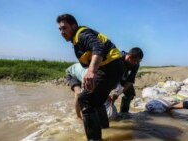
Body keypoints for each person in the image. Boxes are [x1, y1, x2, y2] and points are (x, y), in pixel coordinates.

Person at [56, 13, 124, 141]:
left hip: (109, 67)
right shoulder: (77, 42)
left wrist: (91, 72)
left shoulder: (82, 34)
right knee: (97, 101)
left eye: (64, 28)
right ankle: (105, 129)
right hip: (113, 68)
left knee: (84, 99)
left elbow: (98, 47)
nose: (61, 32)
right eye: (59, 29)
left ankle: (94, 138)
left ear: (73, 26)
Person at [109, 47, 143, 113]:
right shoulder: (117, 58)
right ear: (129, 57)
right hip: (110, 77)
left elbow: (130, 80)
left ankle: (124, 113)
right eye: (135, 61)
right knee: (105, 97)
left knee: (130, 94)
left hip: (123, 78)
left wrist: (117, 93)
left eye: (139, 61)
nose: (137, 63)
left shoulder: (136, 64)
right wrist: (111, 94)